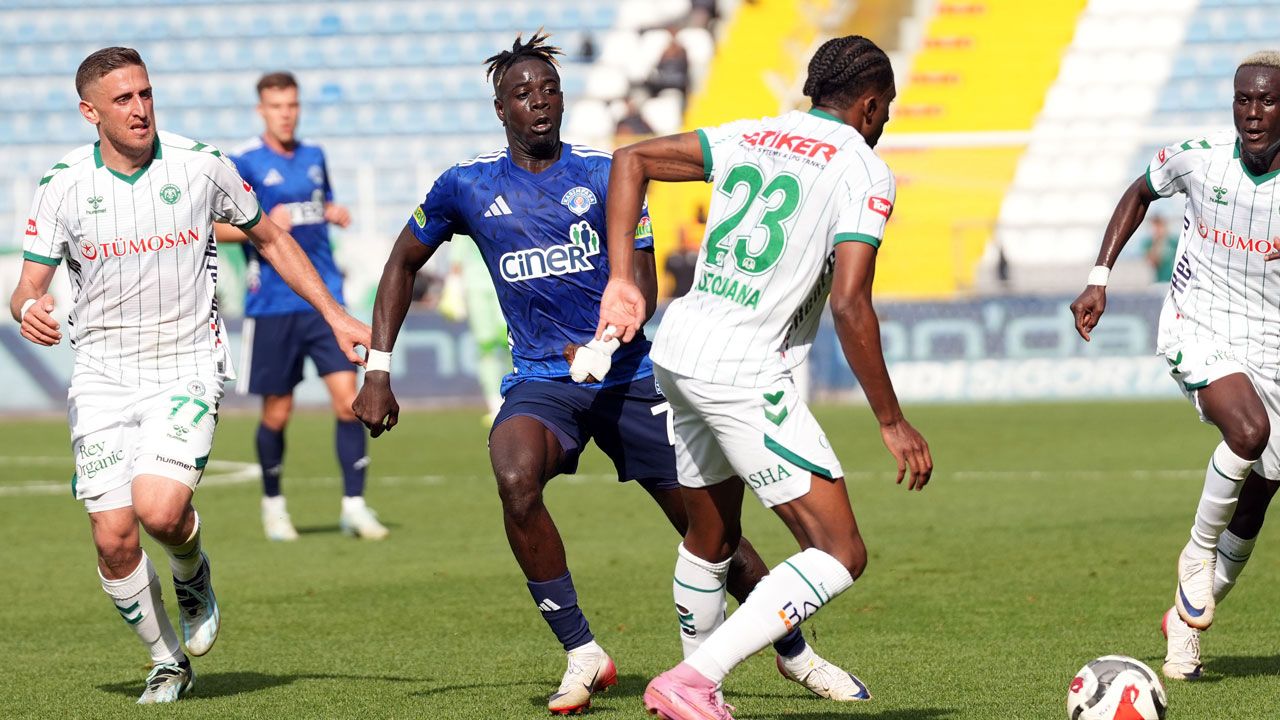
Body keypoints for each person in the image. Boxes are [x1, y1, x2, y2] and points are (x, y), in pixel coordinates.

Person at [353, 32, 866, 716]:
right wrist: (378, 368)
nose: (540, 102)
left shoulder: (604, 175)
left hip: (628, 377)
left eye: (550, 89)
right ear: (501, 109)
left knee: (712, 535)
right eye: (523, 94)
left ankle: (795, 653)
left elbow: (643, 285)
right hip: (542, 381)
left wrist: (606, 337)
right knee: (514, 476)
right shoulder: (465, 186)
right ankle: (582, 652)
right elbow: (400, 263)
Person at [10, 47, 369, 703]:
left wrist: (336, 314)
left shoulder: (200, 165)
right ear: (90, 112)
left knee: (160, 510)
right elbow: (29, 285)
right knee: (113, 538)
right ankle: (167, 660)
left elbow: (271, 238)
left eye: (145, 93)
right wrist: (28, 307)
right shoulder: (63, 184)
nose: (140, 108)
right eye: (123, 99)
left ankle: (190, 569)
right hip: (101, 374)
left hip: (186, 363)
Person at [597, 35, 933, 719]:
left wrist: (622, 279)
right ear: (869, 105)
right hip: (742, 368)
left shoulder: (752, 132)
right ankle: (694, 680)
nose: (886, 121)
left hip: (681, 348)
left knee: (711, 537)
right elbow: (850, 303)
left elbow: (630, 160)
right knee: (839, 550)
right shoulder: (863, 170)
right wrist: (892, 420)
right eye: (888, 108)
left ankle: (697, 695)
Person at [1070, 51, 1280, 682]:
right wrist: (1099, 277)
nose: (1252, 113)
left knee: (1259, 494)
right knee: (1248, 431)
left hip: (1272, 342)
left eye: (1267, 101)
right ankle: (1196, 553)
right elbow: (1139, 192)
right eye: (1243, 99)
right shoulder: (1199, 158)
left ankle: (1184, 628)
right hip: (1200, 323)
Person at [212, 71, 386, 542]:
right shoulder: (244, 162)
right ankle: (273, 506)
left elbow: (321, 205)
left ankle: (354, 506)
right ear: (261, 110)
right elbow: (215, 227)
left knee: (349, 402)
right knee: (278, 412)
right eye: (276, 106)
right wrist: (262, 224)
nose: (285, 114)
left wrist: (333, 212)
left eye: (291, 105)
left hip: (325, 300)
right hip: (272, 304)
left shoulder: (314, 156)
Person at [436, 238, 511, 423]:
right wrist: (453, 287)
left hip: (506, 283)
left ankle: (515, 396)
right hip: (475, 287)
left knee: (511, 343)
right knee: (486, 347)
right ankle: (494, 404)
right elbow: (457, 258)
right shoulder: (465, 223)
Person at [1141, 215, 1177, 284]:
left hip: (1174, 281)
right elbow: (1154, 262)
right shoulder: (1149, 243)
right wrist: (1157, 243)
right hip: (1160, 281)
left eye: (1160, 226)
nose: (1158, 230)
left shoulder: (1173, 242)